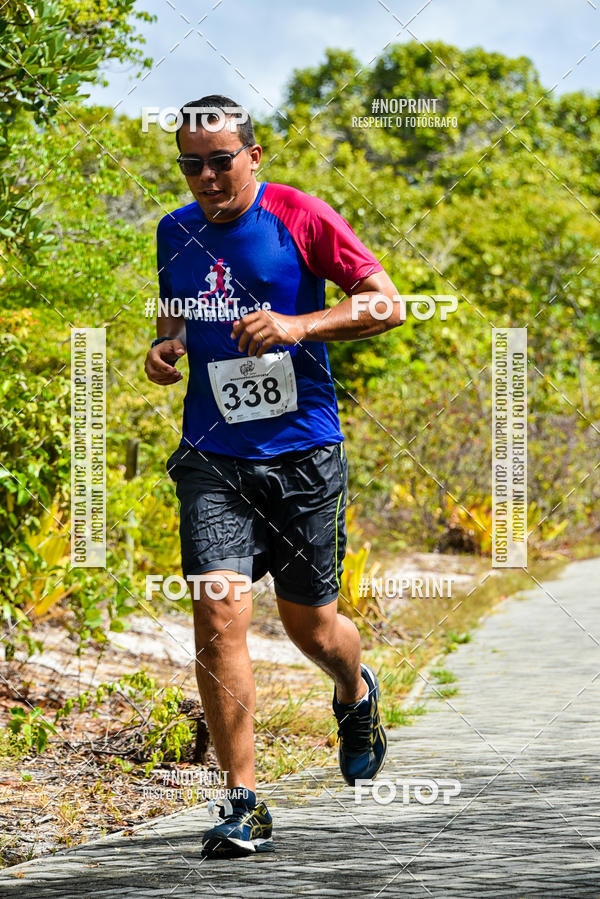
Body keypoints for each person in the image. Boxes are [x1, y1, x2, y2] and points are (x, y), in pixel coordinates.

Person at [144, 94, 404, 859]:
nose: (206, 176)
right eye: (191, 164)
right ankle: (244, 801)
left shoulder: (299, 214)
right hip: (212, 456)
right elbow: (174, 318)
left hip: (303, 456)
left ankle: (354, 694)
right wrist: (163, 351)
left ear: (254, 156)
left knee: (310, 625)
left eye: (220, 160)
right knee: (219, 612)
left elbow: (385, 303)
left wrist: (298, 325)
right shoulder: (171, 230)